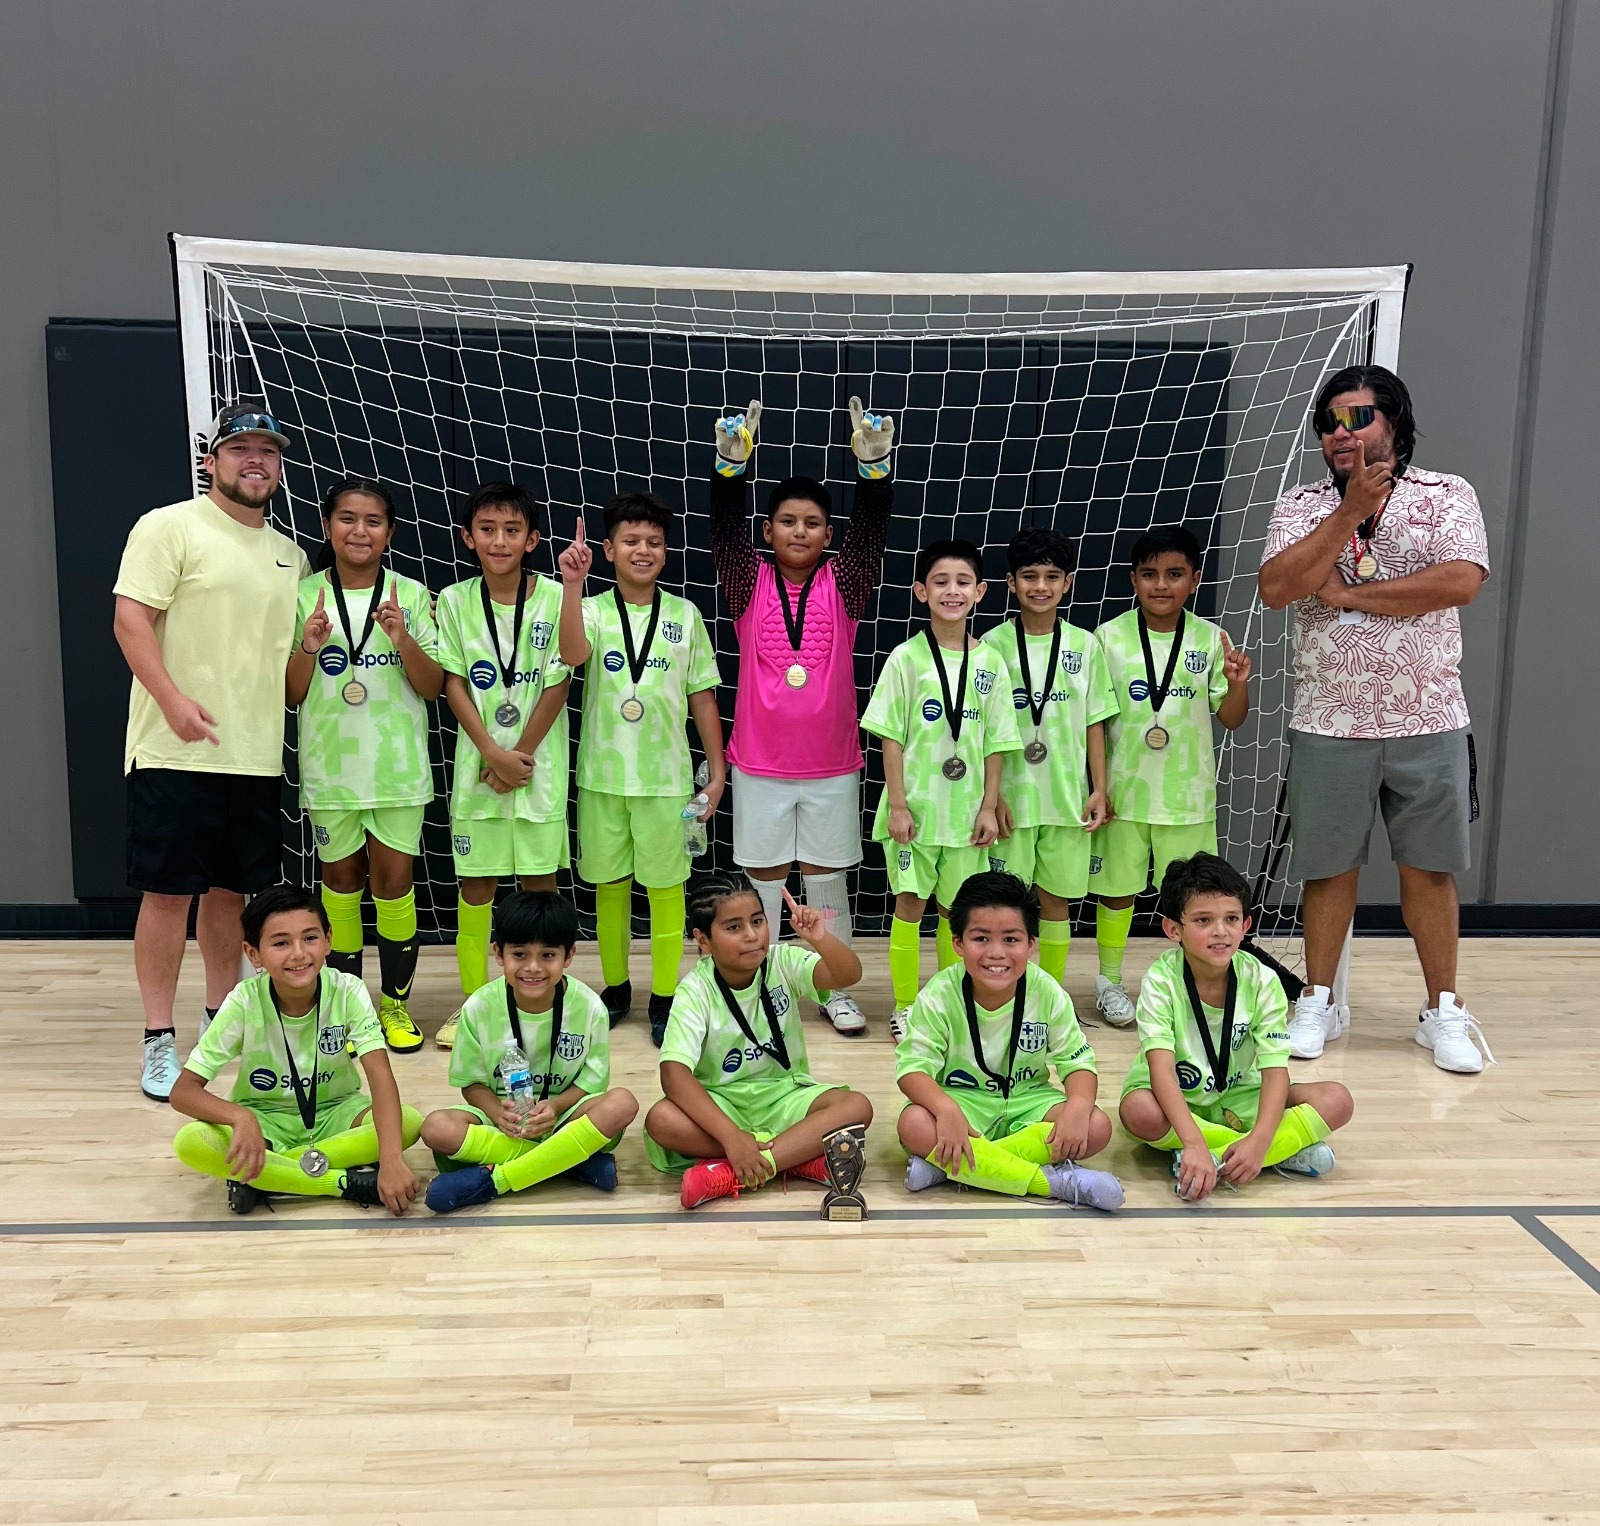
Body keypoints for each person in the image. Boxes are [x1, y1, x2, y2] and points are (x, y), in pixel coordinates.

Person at [1259, 366, 1492, 1073]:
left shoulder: (1447, 494)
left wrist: (1353, 598)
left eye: (1358, 418)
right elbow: (1278, 588)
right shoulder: (1302, 506)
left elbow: (1460, 581)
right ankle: (1319, 1002)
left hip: (1429, 714)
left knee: (1429, 870)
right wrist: (1345, 514)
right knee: (1328, 868)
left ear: (1394, 422)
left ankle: (1443, 1011)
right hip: (1330, 717)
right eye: (1330, 421)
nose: (1340, 432)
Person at [114, 406, 311, 1102]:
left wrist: (311, 649)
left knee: (230, 897)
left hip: (253, 758)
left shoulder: (292, 556)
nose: (254, 460)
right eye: (239, 449)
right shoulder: (169, 526)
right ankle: (158, 1040)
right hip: (173, 752)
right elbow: (129, 619)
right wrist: (171, 701)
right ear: (213, 461)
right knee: (168, 896)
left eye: (268, 451)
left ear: (279, 468)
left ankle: (219, 1021)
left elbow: (288, 676)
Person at [708, 397, 895, 1036]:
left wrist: (874, 471)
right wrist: (730, 469)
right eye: (786, 521)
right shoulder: (743, 583)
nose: (799, 531)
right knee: (759, 886)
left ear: (827, 534)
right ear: (768, 531)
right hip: (758, 762)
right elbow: (722, 529)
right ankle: (757, 980)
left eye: (812, 522)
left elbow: (872, 532)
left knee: (826, 884)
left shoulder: (848, 583)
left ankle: (830, 987)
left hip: (832, 765)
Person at [557, 492, 726, 1048]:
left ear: (666, 551)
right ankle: (616, 988)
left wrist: (717, 767)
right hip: (603, 776)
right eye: (630, 541)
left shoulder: (684, 615)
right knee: (609, 887)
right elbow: (573, 655)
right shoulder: (590, 609)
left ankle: (665, 996)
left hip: (667, 779)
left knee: (666, 889)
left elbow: (702, 695)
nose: (642, 550)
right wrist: (574, 585)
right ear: (608, 549)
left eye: (653, 542)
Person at [286, 477, 443, 1053]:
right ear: (328, 526)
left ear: (390, 532)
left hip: (397, 772)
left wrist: (403, 639)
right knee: (341, 885)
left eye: (373, 521)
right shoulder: (303, 595)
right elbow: (292, 694)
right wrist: (308, 645)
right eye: (347, 519)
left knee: (394, 884)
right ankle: (351, 1010)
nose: (360, 530)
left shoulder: (410, 593)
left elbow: (431, 689)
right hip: (331, 771)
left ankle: (395, 1006)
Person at [169, 884, 422, 1216]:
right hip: (265, 1119)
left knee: (409, 1122)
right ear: (253, 954)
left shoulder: (348, 990)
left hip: (338, 1112)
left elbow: (381, 1078)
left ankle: (269, 1175)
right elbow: (183, 1092)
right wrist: (241, 1117)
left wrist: (391, 1161)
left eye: (310, 938)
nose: (299, 953)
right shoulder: (243, 1001)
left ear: (329, 939)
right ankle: (339, 1182)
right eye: (280, 943)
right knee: (190, 1142)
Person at [1119, 854, 1354, 1202]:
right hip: (1175, 1099)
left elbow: (1275, 1070)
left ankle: (1223, 1158)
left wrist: (1259, 1141)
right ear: (1174, 930)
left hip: (1240, 1093)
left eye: (1231, 919)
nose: (1220, 931)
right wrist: (1194, 1140)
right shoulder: (1160, 980)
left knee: (1337, 1099)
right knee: (1138, 1111)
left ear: (1245, 926)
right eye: (1203, 920)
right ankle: (1275, 1152)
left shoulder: (1262, 980)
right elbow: (1162, 1072)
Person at [1089, 526, 1252, 1025]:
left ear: (1195, 580)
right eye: (1150, 574)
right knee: (1117, 890)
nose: (1162, 585)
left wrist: (1238, 683)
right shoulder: (1108, 639)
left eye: (1175, 574)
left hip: (1187, 796)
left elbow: (1232, 719)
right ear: (1133, 580)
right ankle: (1108, 980)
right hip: (1124, 794)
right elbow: (1095, 720)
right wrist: (1097, 788)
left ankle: (1193, 984)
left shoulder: (1210, 639)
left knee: (1195, 898)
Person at [861, 539, 1022, 1040]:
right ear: (920, 591)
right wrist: (899, 805)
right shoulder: (906, 659)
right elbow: (890, 737)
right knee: (909, 905)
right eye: (940, 582)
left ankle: (948, 1002)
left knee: (957, 914)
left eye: (962, 582)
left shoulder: (992, 661)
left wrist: (990, 806)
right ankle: (907, 1006)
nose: (951, 591)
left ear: (981, 592)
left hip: (968, 813)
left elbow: (998, 741)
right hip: (918, 813)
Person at [642, 872, 873, 1210]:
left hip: (785, 1096)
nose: (751, 936)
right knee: (661, 1120)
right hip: (722, 1105)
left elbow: (848, 975)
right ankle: (797, 1158)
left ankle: (730, 1172)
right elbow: (673, 1075)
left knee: (857, 1106)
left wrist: (819, 937)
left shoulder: (782, 960)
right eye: (733, 928)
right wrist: (732, 1136)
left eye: (757, 921)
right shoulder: (695, 989)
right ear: (703, 940)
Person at [434, 481, 571, 1050]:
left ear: (532, 540)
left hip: (539, 771)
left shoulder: (559, 598)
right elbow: (452, 682)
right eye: (487, 530)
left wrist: (522, 757)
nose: (499, 540)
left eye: (512, 530)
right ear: (468, 538)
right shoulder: (453, 601)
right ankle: (472, 1008)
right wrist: (493, 754)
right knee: (476, 888)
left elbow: (559, 682)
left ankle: (540, 1005)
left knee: (539, 889)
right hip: (479, 771)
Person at [894, 871, 1124, 1209]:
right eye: (981, 939)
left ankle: (950, 1168)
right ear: (957, 942)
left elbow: (1078, 1064)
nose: (996, 953)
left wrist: (1077, 1106)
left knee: (1097, 1125)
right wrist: (945, 1108)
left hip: (1028, 1102)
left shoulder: (1046, 990)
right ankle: (1050, 1183)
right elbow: (912, 1070)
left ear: (1032, 944)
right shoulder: (938, 994)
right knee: (913, 1122)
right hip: (964, 1104)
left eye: (1011, 939)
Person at [421, 891, 640, 1214]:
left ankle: (499, 1178)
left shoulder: (591, 1007)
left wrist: (556, 1105)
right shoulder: (479, 1007)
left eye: (548, 955)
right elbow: (471, 1084)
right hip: (503, 1120)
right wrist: (497, 1113)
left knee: (623, 1103)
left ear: (569, 956)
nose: (533, 968)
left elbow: (593, 1084)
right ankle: (568, 1162)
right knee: (436, 1128)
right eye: (520, 954)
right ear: (498, 953)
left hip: (564, 1116)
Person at [985, 528, 1118, 986]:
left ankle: (1053, 995)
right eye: (1029, 576)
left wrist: (1099, 788)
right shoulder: (992, 646)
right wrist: (990, 796)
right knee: (1005, 904)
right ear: (1010, 583)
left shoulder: (1086, 645)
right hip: (1010, 803)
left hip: (1066, 800)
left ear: (1069, 583)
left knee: (1057, 900)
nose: (1040, 586)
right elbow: (981, 731)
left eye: (1051, 576)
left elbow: (1094, 723)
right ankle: (1007, 990)